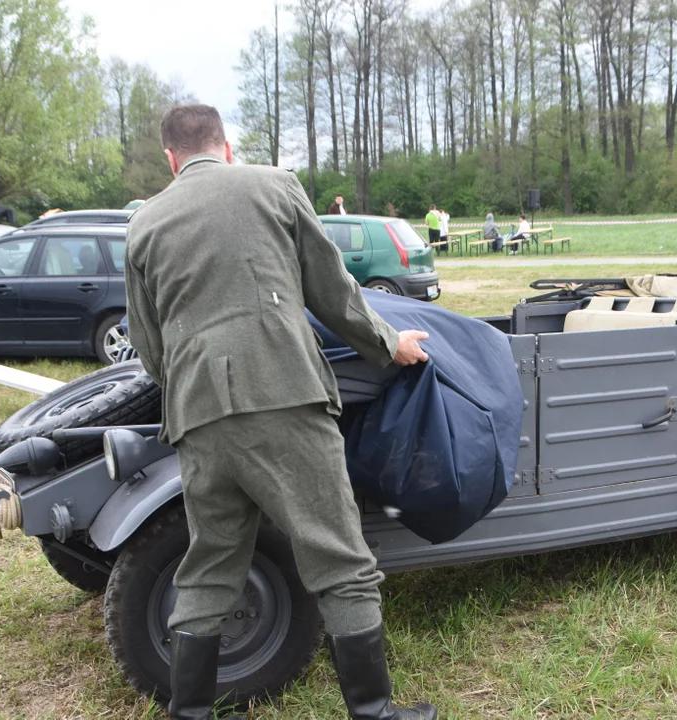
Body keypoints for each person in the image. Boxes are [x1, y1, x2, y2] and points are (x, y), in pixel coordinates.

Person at [125, 104, 438, 720]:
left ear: (170, 158)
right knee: (339, 555)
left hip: (198, 416)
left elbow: (148, 341)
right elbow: (332, 289)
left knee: (210, 563)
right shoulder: (275, 185)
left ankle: (189, 714)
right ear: (227, 146)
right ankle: (373, 713)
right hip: (285, 398)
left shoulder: (144, 224)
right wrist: (388, 342)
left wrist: (190, 390)